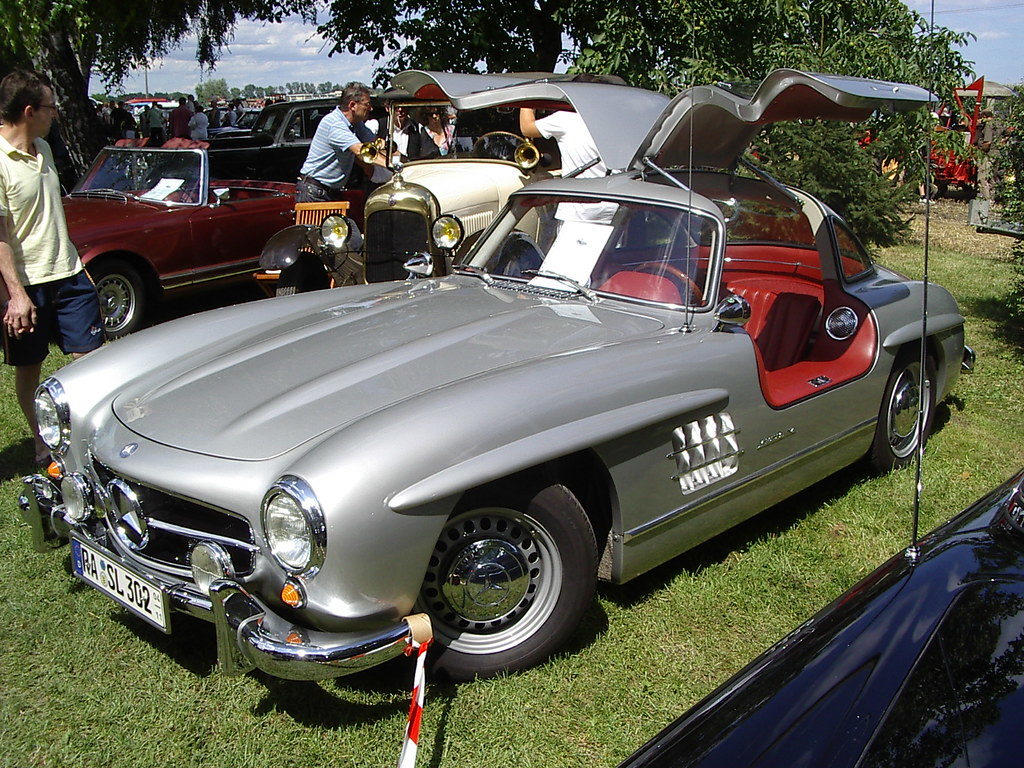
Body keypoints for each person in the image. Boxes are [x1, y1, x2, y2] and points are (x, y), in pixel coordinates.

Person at [0, 70, 103, 465]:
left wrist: (77, 264)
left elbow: (49, 217)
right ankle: (43, 443)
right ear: (29, 110)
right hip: (27, 286)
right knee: (29, 369)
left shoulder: (42, 147)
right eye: (50, 108)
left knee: (92, 363)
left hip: (70, 276)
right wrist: (17, 295)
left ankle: (91, 440)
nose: (55, 114)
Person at [520, 104, 614, 222]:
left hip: (577, 210)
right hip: (612, 208)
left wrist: (527, 103)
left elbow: (527, 128)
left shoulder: (565, 119)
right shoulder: (615, 124)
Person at [296, 81, 386, 202]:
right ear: (352, 105)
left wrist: (404, 161)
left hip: (328, 191)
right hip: (313, 192)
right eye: (367, 104)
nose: (371, 108)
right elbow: (361, 151)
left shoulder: (356, 124)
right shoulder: (334, 124)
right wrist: (394, 166)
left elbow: (376, 145)